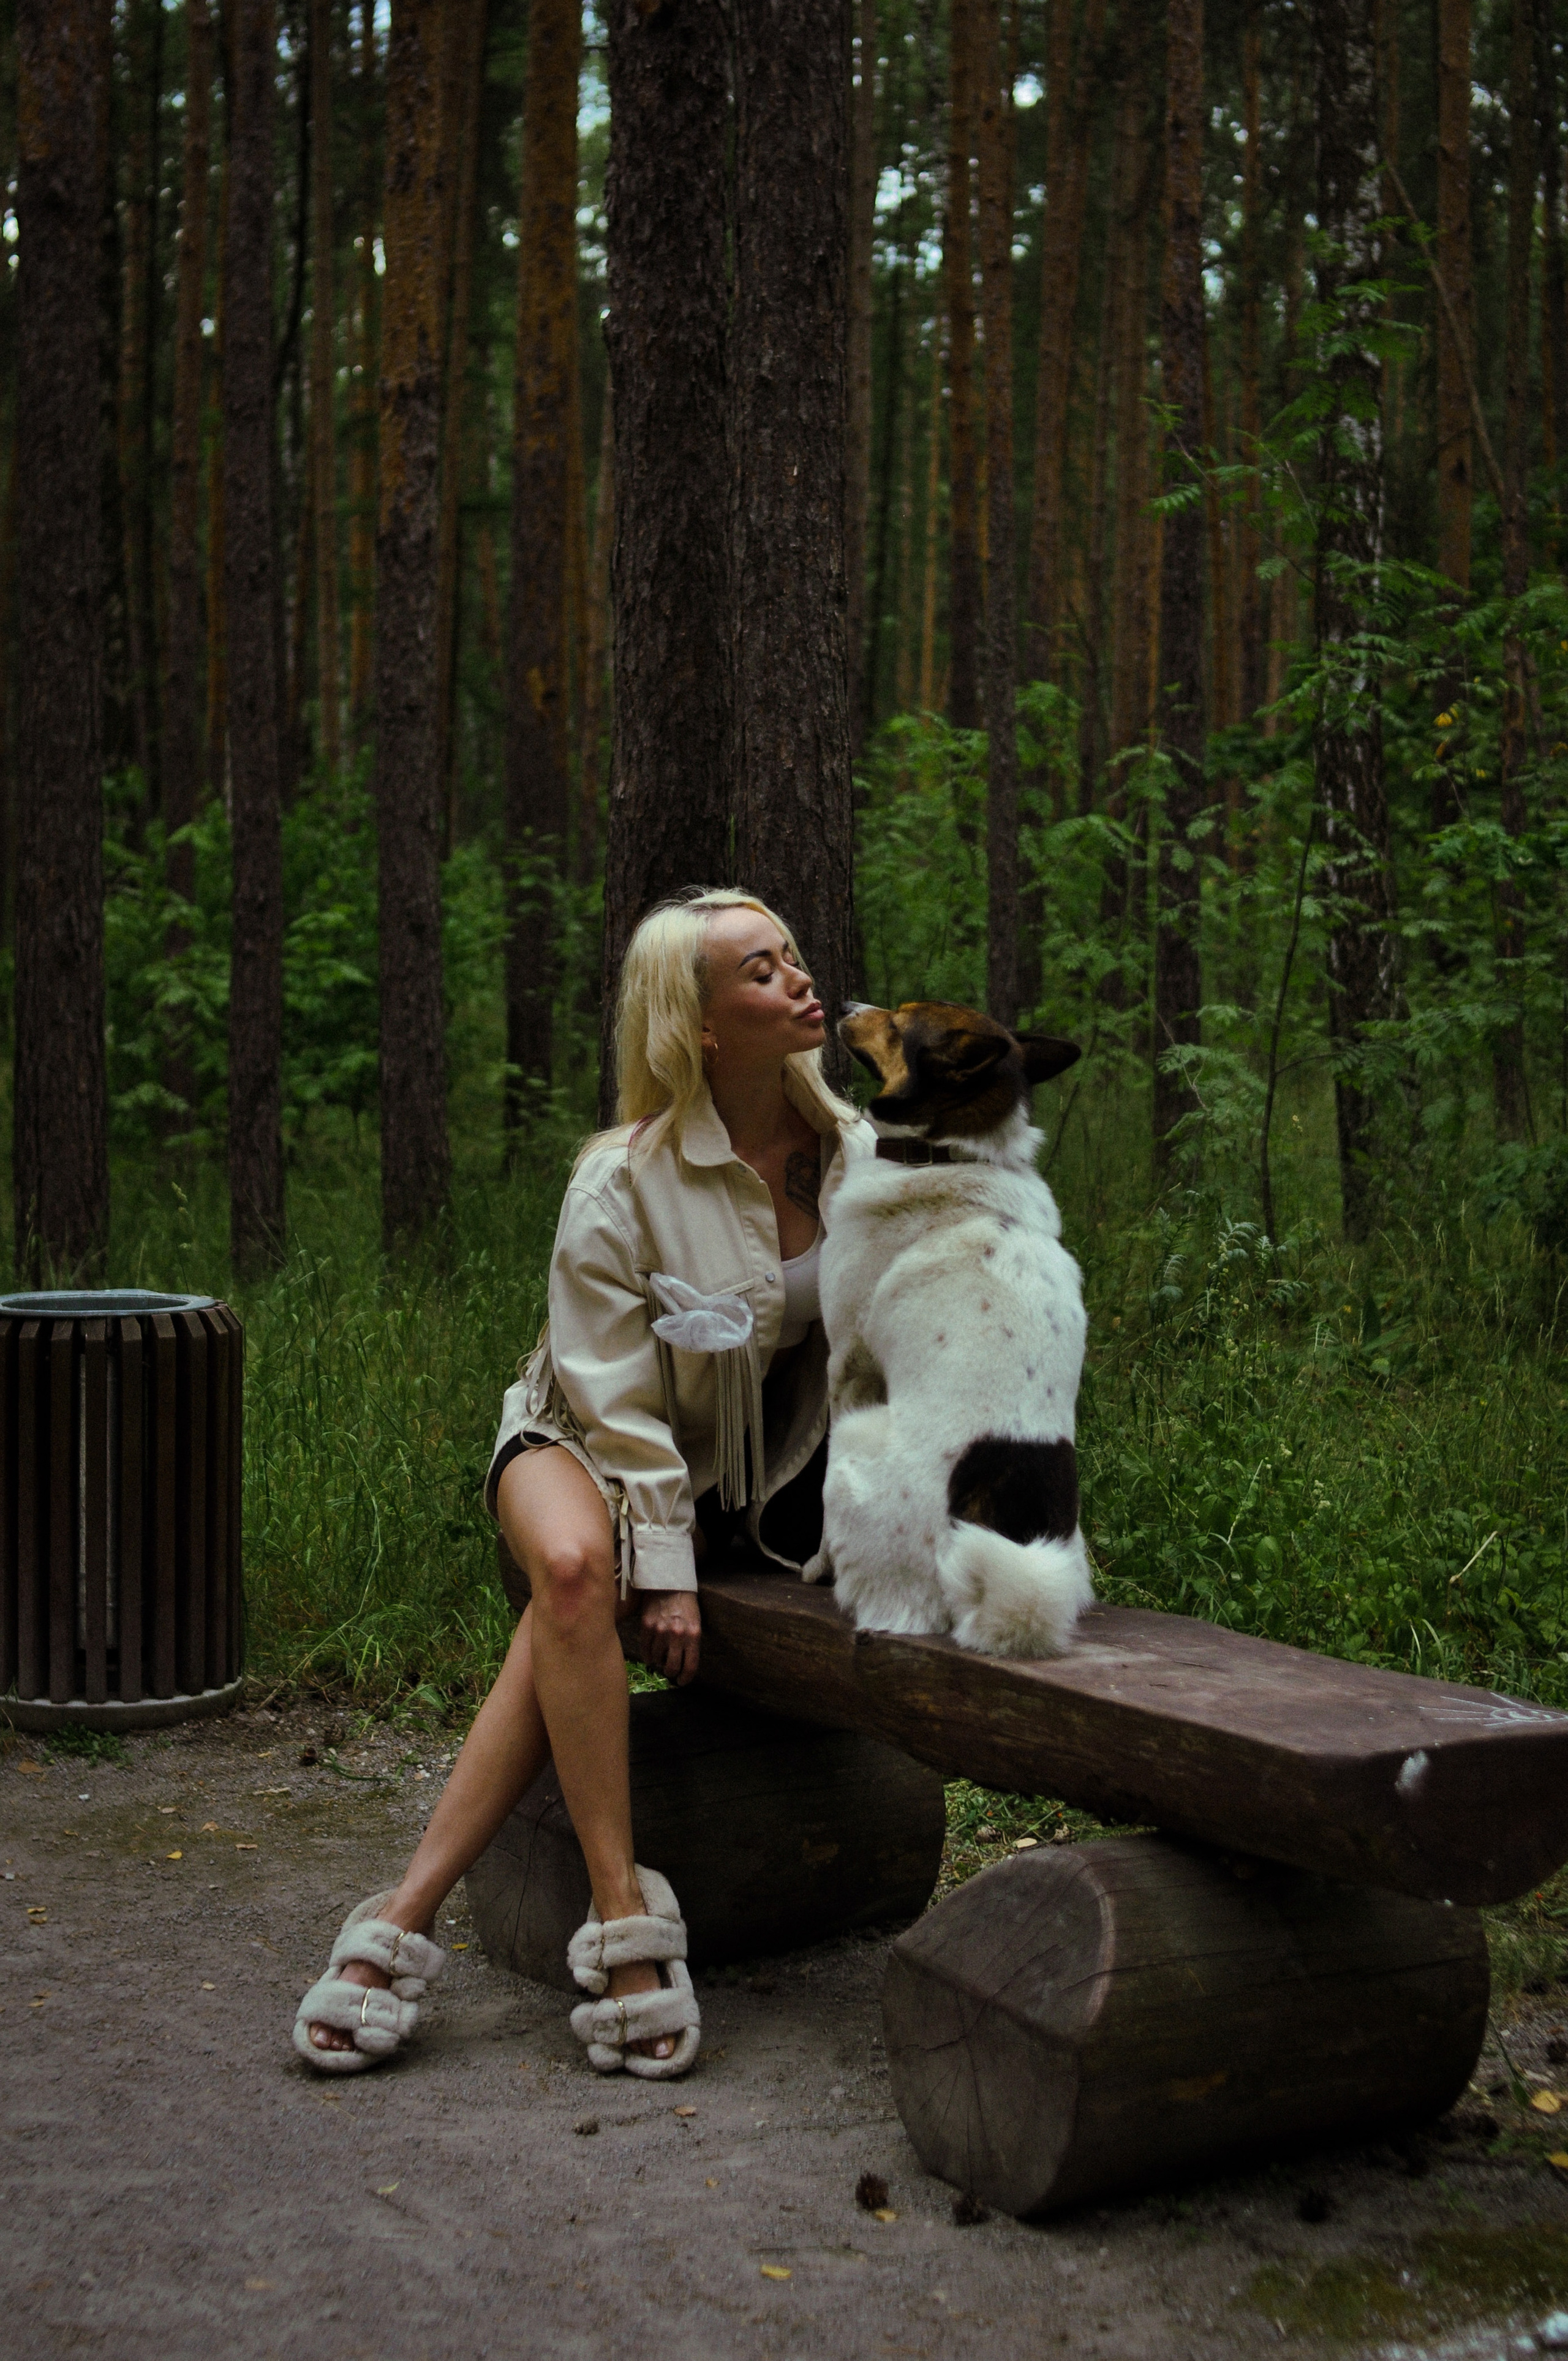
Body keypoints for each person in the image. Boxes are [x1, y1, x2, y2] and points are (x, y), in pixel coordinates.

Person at [292, 887, 874, 2078]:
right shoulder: (621, 1180)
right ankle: (620, 1915)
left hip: (738, 1484)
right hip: (580, 1441)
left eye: (794, 958)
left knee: (570, 1604)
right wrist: (660, 1569)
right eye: (762, 971)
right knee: (573, 1568)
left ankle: (400, 1917)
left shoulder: (855, 1153)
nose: (801, 982)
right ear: (701, 1024)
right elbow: (613, 1403)